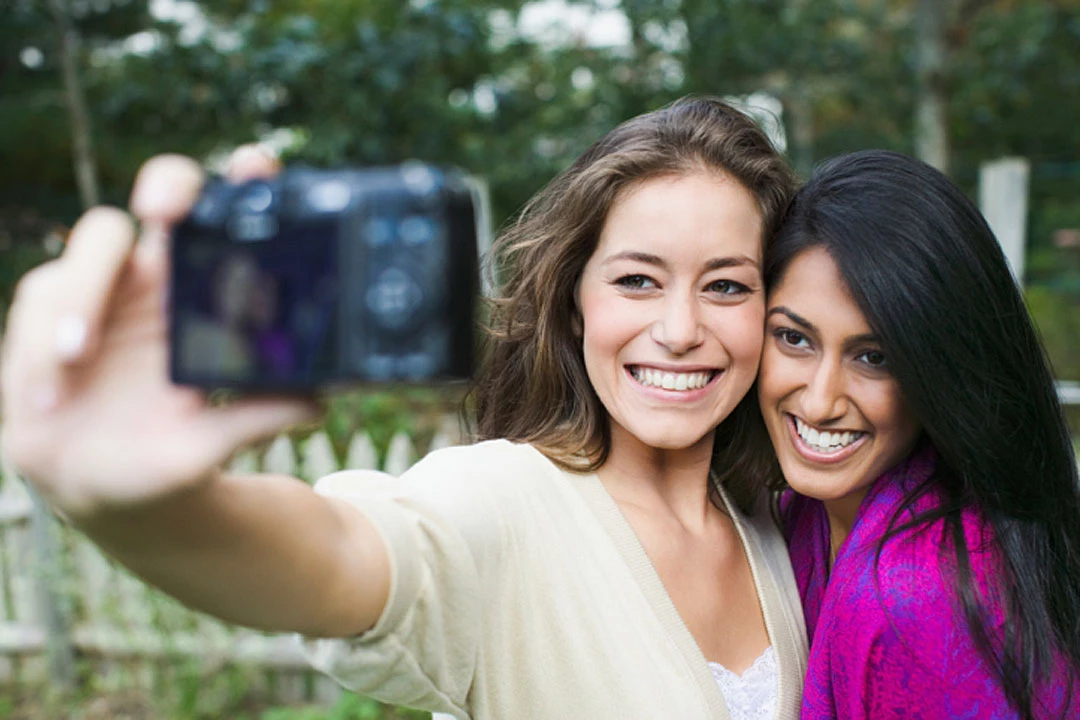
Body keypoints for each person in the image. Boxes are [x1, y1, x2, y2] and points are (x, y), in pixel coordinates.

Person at [0, 98, 808, 719]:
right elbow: (342, 560)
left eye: (727, 285)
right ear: (573, 305)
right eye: (637, 280)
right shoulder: (497, 503)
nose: (679, 331)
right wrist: (151, 508)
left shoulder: (782, 529)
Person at [753, 149, 1080, 719]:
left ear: (937, 367)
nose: (820, 400)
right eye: (794, 339)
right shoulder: (801, 512)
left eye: (874, 356)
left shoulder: (912, 596)